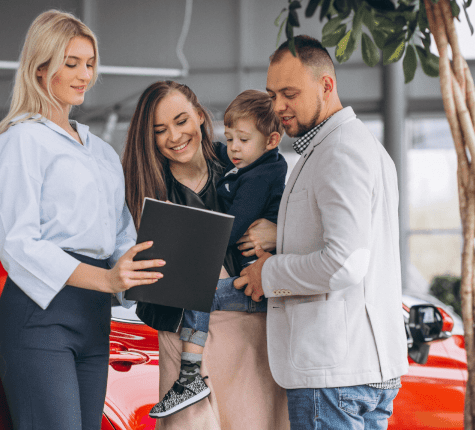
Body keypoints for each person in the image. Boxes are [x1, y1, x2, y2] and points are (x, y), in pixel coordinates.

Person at [0, 10, 165, 430]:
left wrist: (148, 279)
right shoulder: (20, 140)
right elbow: (18, 245)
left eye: (89, 63)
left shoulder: (101, 151)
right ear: (40, 67)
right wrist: (106, 280)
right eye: (71, 64)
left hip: (94, 319)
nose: (84, 75)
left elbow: (120, 235)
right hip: (40, 318)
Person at [235, 35, 409, 430]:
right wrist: (280, 235)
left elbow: (344, 261)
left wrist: (269, 272)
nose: (278, 106)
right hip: (359, 368)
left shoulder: (339, 151)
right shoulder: (360, 146)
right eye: (272, 93)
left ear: (326, 85)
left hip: (334, 376)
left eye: (289, 93)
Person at [122, 80, 290, 429]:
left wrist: (280, 232)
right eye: (160, 130)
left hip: (248, 329)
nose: (174, 136)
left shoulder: (243, 162)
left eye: (181, 121)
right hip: (183, 338)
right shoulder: (144, 188)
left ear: (199, 116)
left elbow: (305, 225)